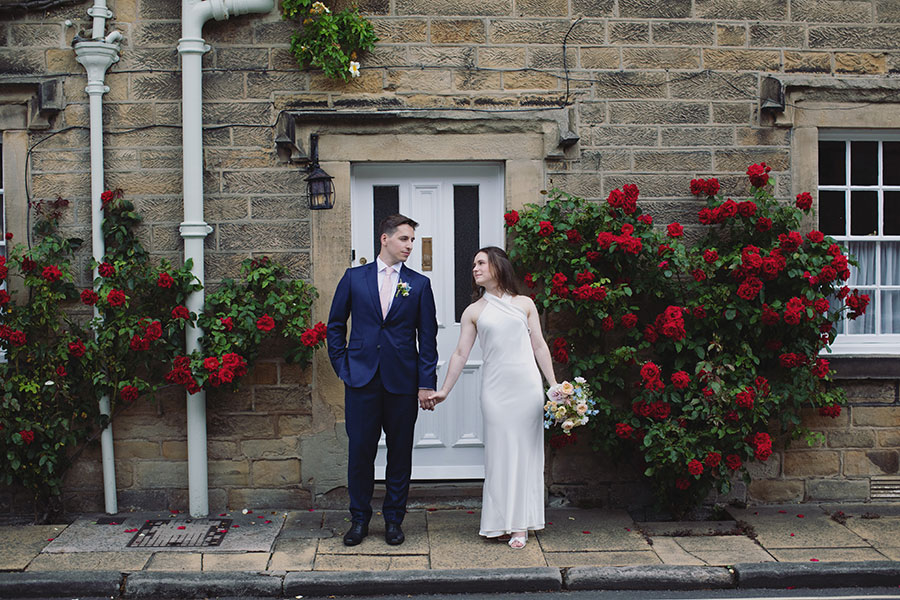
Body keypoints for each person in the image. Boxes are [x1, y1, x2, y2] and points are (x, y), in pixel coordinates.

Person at [423, 246, 556, 549]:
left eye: (481, 262)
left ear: (498, 266)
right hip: (495, 390)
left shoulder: (524, 304)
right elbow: (460, 353)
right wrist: (444, 389)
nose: (475, 268)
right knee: (498, 455)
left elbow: (538, 346)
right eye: (474, 264)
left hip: (526, 387)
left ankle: (520, 524)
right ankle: (498, 522)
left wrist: (553, 385)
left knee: (526, 454)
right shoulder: (474, 311)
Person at [327, 214, 438, 547]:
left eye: (412, 241)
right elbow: (334, 326)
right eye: (404, 239)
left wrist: (425, 383)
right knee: (360, 453)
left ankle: (393, 520)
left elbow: (428, 338)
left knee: (400, 454)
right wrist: (343, 366)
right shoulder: (354, 278)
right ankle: (359, 520)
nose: (410, 246)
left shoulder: (419, 285)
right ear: (385, 239)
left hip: (402, 382)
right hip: (361, 379)